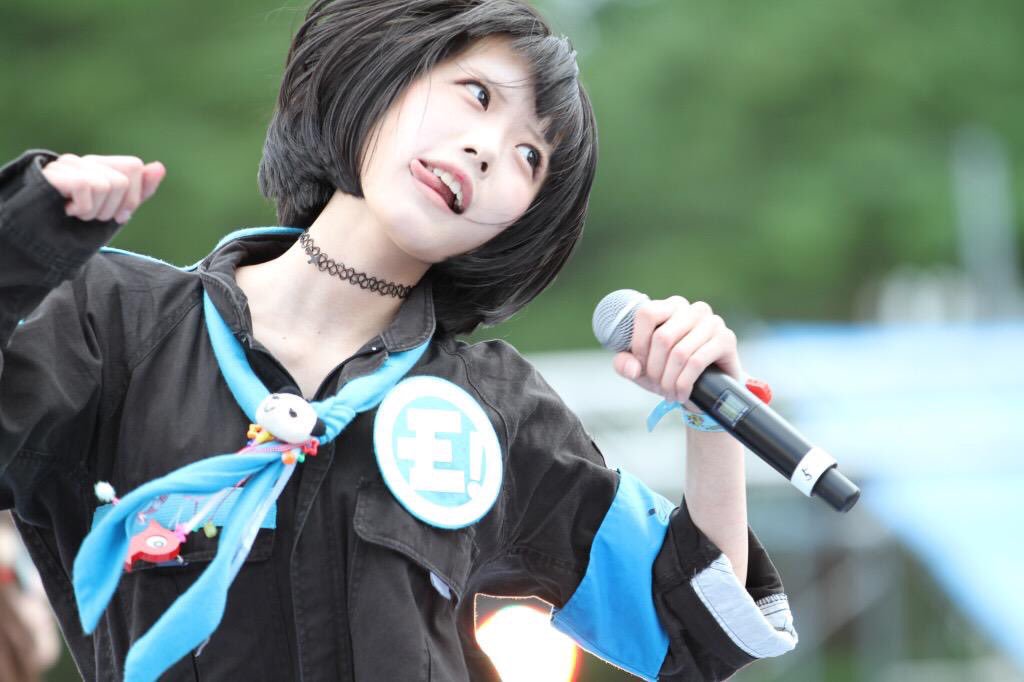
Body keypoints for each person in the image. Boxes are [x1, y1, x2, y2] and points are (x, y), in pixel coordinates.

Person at [0, 0, 797, 680]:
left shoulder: (495, 409)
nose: (487, 150)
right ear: (389, 73)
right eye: (477, 95)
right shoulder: (114, 325)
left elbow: (689, 631)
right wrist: (20, 240)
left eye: (529, 156)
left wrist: (710, 415)